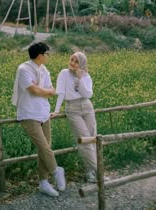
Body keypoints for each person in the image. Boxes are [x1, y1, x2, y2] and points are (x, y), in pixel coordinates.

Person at [12, 42, 66, 197]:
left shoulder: (44, 70)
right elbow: (33, 90)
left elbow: (52, 91)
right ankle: (56, 170)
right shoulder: (24, 69)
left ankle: (43, 183)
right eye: (47, 54)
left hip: (44, 113)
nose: (49, 56)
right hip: (29, 114)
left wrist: (42, 90)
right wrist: (43, 91)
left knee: (44, 149)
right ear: (40, 55)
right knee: (44, 147)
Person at [51, 52, 98, 183]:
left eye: (76, 61)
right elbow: (60, 93)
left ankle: (90, 172)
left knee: (93, 139)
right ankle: (100, 172)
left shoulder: (86, 76)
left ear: (82, 64)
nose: (72, 63)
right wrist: (56, 110)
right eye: (71, 59)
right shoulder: (63, 73)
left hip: (87, 106)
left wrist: (80, 78)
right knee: (84, 140)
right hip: (73, 109)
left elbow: (88, 94)